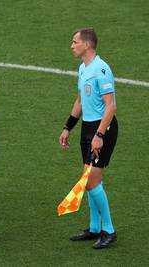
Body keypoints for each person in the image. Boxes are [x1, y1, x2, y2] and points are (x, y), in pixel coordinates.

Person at [59, 28, 118, 249]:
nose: (72, 45)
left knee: (92, 181)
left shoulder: (101, 69)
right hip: (87, 128)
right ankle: (94, 228)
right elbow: (80, 102)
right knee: (89, 179)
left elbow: (111, 106)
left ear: (87, 45)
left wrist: (99, 135)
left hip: (103, 128)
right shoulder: (83, 68)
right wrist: (68, 127)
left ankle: (109, 230)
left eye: (75, 42)